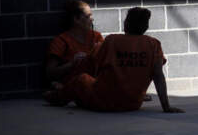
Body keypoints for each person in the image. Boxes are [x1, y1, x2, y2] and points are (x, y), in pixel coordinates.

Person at [43, 7, 183, 113]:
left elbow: (92, 64)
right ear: (146, 27)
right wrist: (166, 106)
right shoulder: (154, 44)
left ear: (126, 23)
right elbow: (159, 76)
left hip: (104, 100)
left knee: (81, 79)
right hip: (132, 103)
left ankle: (56, 96)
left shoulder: (112, 40)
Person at [45, 0, 104, 85]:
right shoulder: (61, 41)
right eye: (88, 16)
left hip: (93, 85)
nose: (92, 19)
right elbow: (49, 74)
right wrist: (72, 64)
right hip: (73, 86)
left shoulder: (96, 36)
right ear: (76, 19)